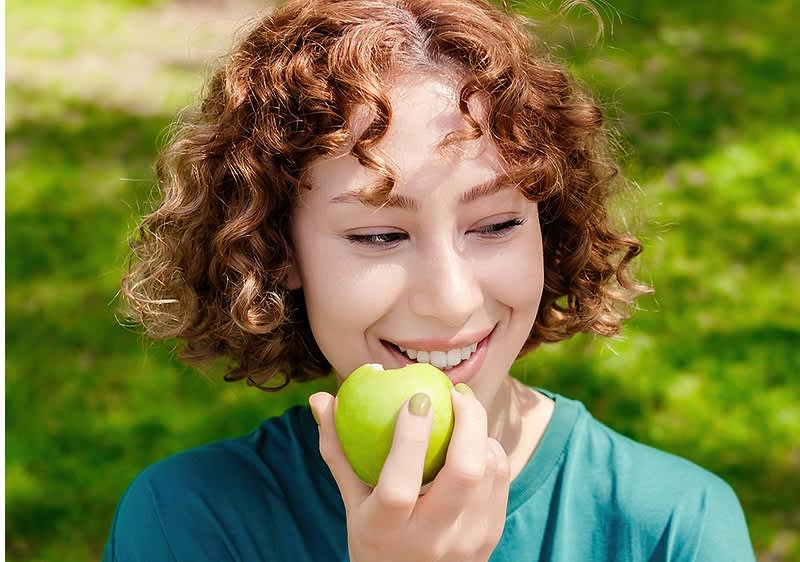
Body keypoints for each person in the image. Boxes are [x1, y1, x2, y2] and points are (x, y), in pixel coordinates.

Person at [102, 0, 756, 559]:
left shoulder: (674, 526)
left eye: (496, 224)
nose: (450, 300)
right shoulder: (186, 520)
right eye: (379, 236)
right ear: (278, 250)